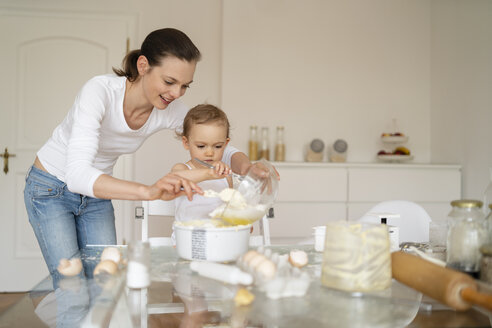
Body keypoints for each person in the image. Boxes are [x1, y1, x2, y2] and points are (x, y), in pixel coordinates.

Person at [23, 28, 252, 285]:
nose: (176, 94)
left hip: (96, 194)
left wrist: (247, 165)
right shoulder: (99, 91)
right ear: (143, 65)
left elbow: (209, 137)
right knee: (70, 283)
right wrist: (149, 191)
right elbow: (76, 175)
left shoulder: (170, 108)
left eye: (184, 86)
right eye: (169, 82)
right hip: (50, 187)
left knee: (105, 284)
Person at [171, 104, 233, 223]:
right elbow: (176, 178)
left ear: (225, 144)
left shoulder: (226, 175)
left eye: (218, 146)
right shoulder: (182, 169)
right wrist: (208, 173)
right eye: (201, 146)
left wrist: (239, 218)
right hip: (187, 239)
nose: (209, 153)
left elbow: (230, 206)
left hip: (219, 238)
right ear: (186, 143)